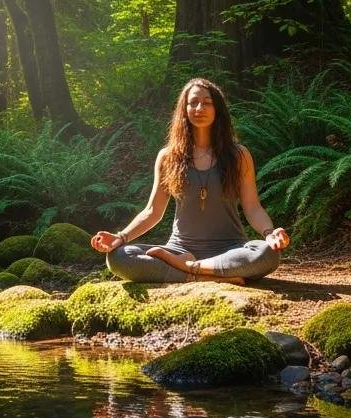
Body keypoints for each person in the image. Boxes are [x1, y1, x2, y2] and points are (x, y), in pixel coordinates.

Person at [91, 77, 289, 284]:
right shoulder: (169, 157)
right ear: (183, 109)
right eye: (193, 102)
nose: (199, 107)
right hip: (179, 249)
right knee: (119, 257)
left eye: (207, 102)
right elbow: (152, 212)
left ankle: (190, 269)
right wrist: (120, 237)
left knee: (267, 253)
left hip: (230, 248)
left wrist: (270, 233)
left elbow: (253, 208)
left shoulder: (238, 155)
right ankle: (210, 275)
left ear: (217, 109)